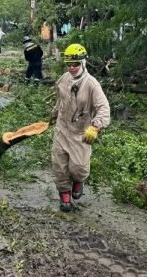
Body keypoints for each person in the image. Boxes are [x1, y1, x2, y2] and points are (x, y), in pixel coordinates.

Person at [50, 43, 110, 212]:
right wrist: (54, 114)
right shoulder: (64, 79)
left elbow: (104, 109)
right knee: (59, 165)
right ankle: (65, 197)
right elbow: (61, 101)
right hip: (62, 129)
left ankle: (78, 181)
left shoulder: (92, 84)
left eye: (76, 64)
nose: (72, 67)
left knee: (79, 168)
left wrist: (96, 127)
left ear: (83, 62)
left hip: (81, 132)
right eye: (69, 64)